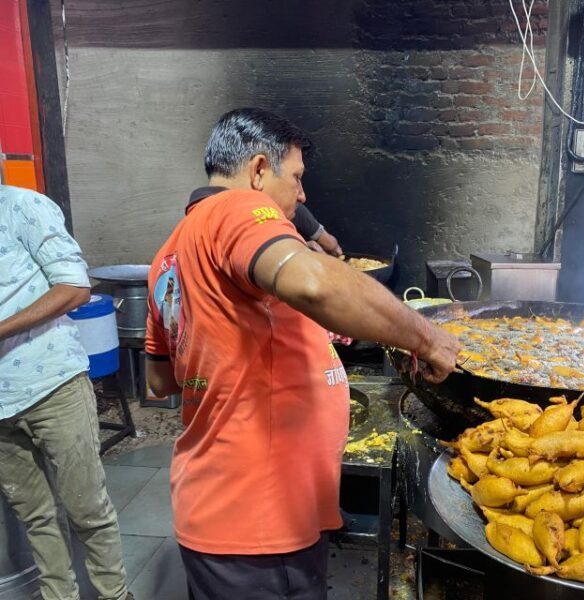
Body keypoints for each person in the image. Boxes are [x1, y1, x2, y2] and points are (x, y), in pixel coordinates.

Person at [144, 107, 460, 600]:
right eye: (297, 177)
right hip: (259, 523)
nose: (303, 194)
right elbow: (313, 283)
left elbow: (162, 379)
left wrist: (290, 336)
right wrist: (427, 339)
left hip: (212, 509)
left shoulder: (168, 254)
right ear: (258, 170)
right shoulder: (238, 208)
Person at [0, 184, 131, 600]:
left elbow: (74, 287)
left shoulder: (23, 207)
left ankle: (114, 594)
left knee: (87, 508)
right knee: (35, 516)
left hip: (53, 384)